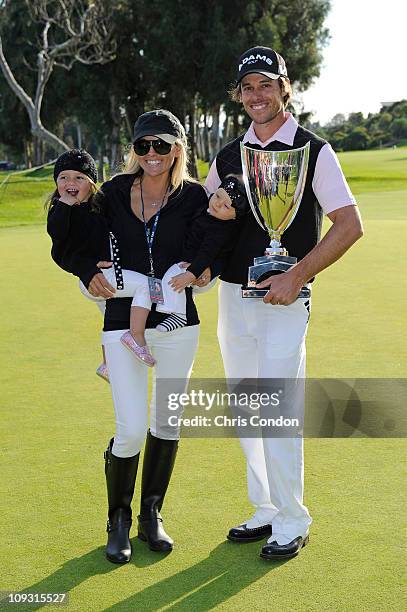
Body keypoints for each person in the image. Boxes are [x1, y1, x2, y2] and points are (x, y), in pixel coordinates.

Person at [205, 46, 363, 560]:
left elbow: (349, 225)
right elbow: (208, 225)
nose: (257, 95)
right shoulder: (228, 156)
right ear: (239, 94)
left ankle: (293, 518)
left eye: (266, 85)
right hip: (234, 296)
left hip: (284, 299)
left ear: (285, 88)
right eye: (248, 87)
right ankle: (267, 508)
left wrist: (296, 275)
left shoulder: (315, 150)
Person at [49, 111, 228, 564]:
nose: (152, 154)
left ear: (177, 150)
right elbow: (75, 241)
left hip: (178, 326)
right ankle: (119, 520)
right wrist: (86, 271)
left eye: (161, 145)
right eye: (143, 145)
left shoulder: (192, 197)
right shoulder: (109, 193)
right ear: (135, 149)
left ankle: (151, 516)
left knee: (167, 423)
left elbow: (213, 241)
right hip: (119, 321)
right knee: (129, 430)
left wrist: (204, 271)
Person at [47, 149, 208, 374]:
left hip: (112, 271)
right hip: (98, 275)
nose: (70, 182)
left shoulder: (99, 207)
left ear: (91, 184)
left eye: (79, 178)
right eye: (63, 177)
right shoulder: (61, 212)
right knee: (148, 286)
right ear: (56, 183)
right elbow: (59, 246)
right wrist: (65, 206)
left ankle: (108, 364)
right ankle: (139, 334)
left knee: (108, 309)